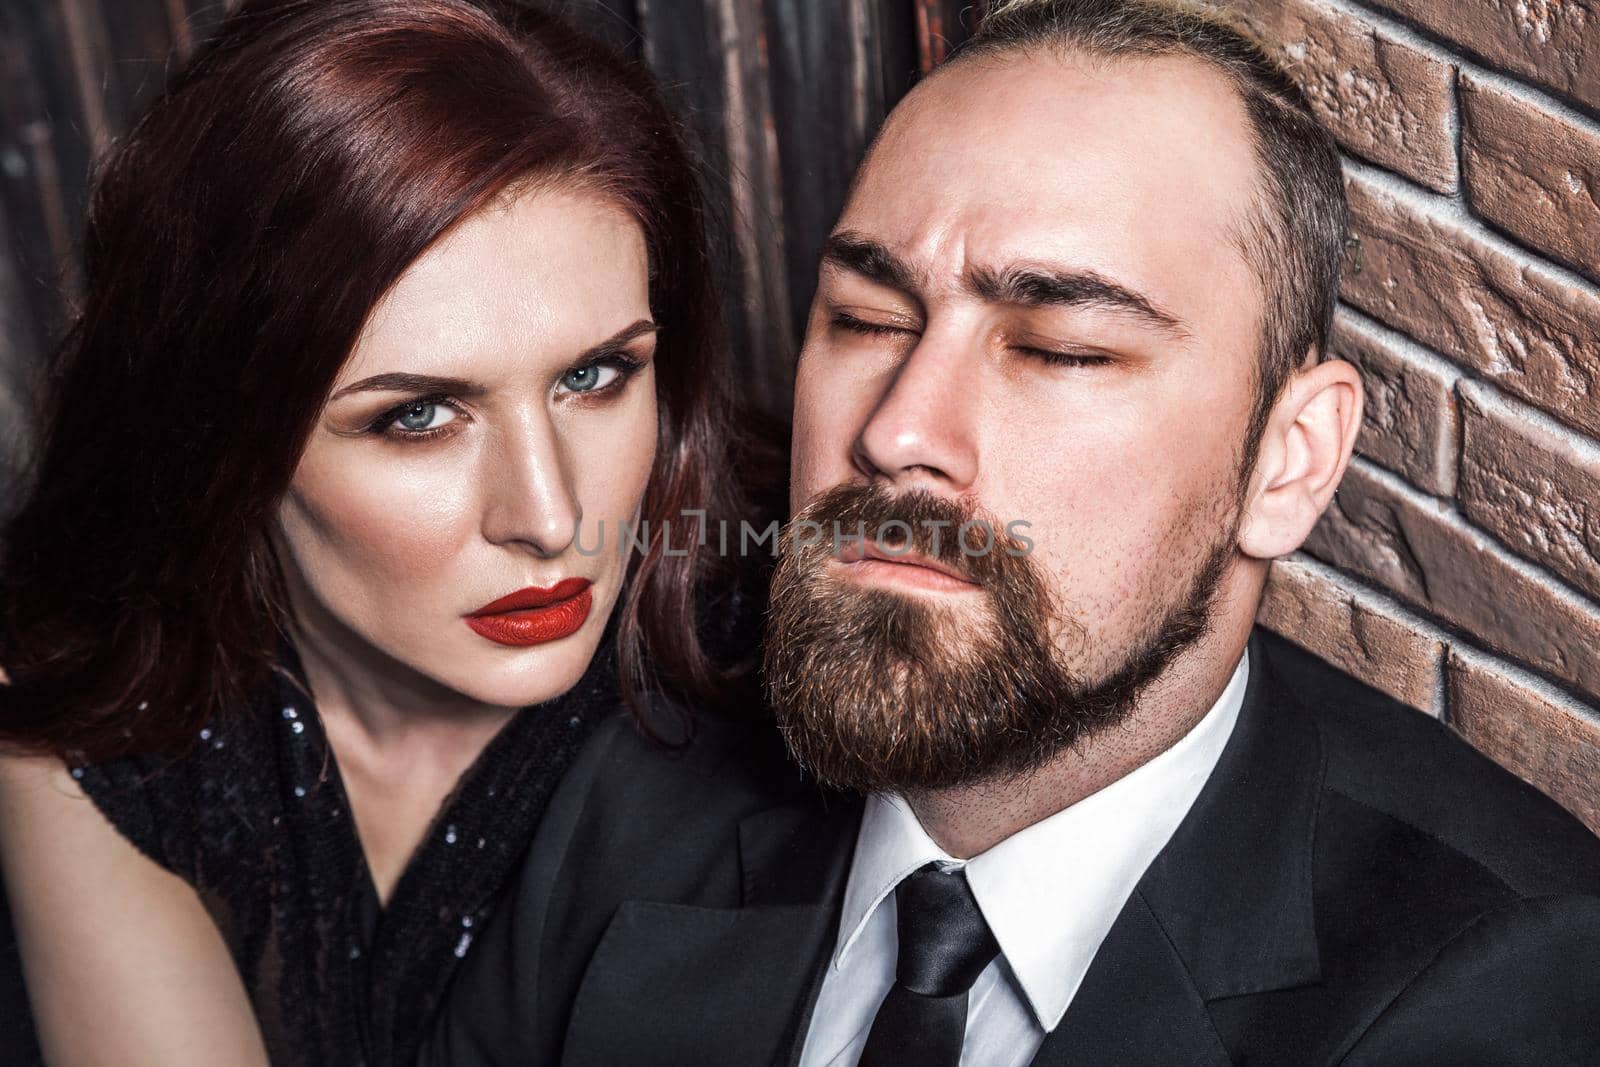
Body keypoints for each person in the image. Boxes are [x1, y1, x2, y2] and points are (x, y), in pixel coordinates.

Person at [423, 1, 1600, 1063]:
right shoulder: (646, 760)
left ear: (1287, 460)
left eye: (1058, 350)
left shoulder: (1500, 990)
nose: (897, 432)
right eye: (866, 317)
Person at [0, 1, 761, 1064]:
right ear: (224, 435)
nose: (549, 517)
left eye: (595, 375)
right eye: (416, 416)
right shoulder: (96, 697)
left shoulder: (782, 670)